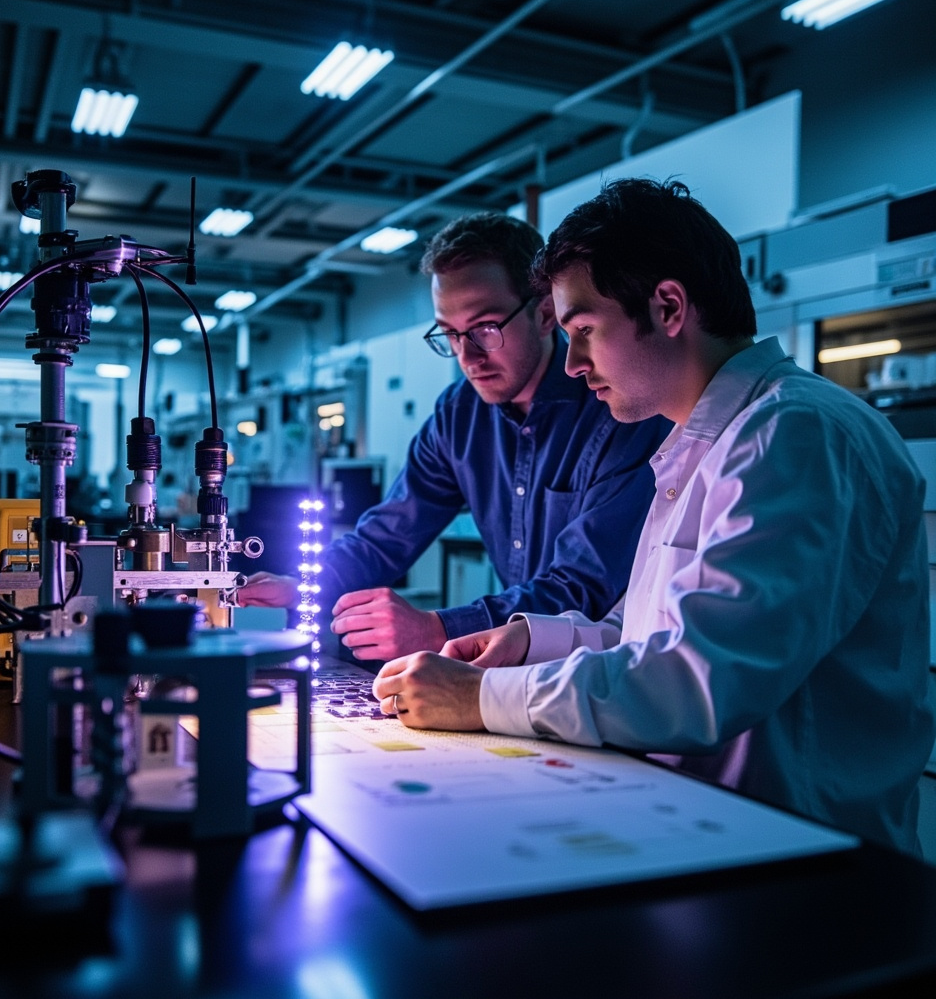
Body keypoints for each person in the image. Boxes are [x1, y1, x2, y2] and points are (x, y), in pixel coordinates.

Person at [373, 178, 935, 854]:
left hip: (806, 859)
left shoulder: (797, 435)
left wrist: (480, 699)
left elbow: (699, 679)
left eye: (584, 331)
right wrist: (529, 641)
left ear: (668, 307)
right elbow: (643, 635)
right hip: (711, 832)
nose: (572, 365)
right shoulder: (699, 443)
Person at [238, 211, 671, 661]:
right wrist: (306, 584)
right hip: (512, 666)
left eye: (485, 328)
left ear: (545, 313)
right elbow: (387, 535)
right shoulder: (459, 415)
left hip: (605, 665)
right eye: (449, 334)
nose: (467, 356)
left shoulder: (617, 410)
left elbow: (583, 586)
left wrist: (438, 630)